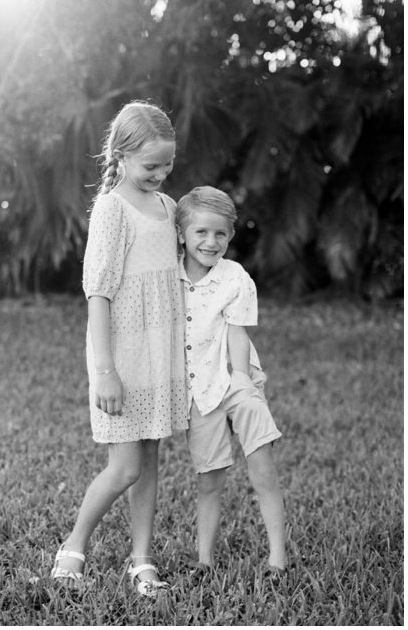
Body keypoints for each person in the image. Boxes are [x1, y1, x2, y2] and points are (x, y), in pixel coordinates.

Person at [50, 102, 186, 597]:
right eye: (151, 165)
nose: (160, 173)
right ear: (121, 156)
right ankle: (73, 546)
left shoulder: (169, 208)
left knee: (150, 459)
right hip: (123, 354)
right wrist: (105, 370)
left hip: (161, 350)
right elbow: (99, 293)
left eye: (167, 164)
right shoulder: (112, 207)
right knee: (125, 466)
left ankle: (142, 560)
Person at [175, 185, 287, 576]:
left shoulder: (235, 277)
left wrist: (242, 381)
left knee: (263, 473)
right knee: (209, 480)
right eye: (201, 232)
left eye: (220, 233)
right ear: (182, 234)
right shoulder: (167, 278)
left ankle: (278, 558)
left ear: (231, 236)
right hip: (199, 395)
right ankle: (204, 559)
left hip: (237, 384)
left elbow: (238, 332)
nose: (211, 241)